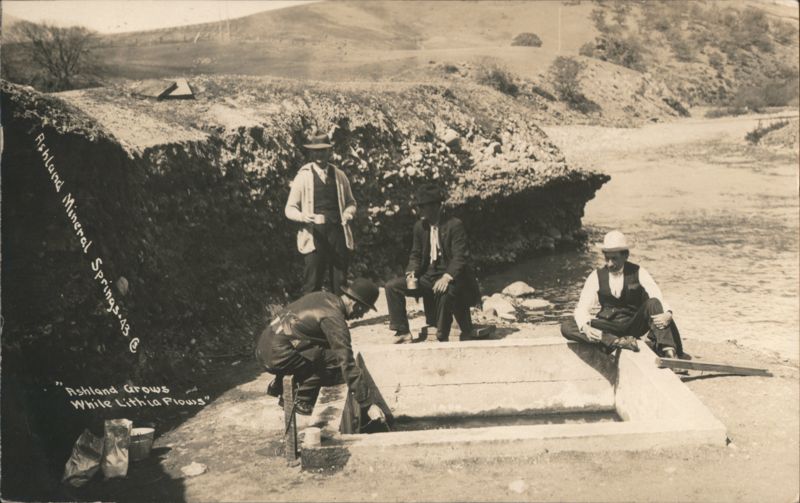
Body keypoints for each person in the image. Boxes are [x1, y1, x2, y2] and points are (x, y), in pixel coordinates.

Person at [254, 277, 385, 423]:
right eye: (365, 310)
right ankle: (300, 398)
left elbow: (295, 330)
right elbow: (345, 361)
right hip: (277, 356)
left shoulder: (323, 297)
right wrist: (367, 403)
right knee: (335, 362)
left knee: (322, 350)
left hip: (264, 348)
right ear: (356, 304)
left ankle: (279, 384)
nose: (362, 315)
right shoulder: (334, 318)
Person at [384, 184, 483, 343]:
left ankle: (441, 334)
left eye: (424, 206)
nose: (420, 210)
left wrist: (446, 277)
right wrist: (412, 272)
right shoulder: (419, 227)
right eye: (419, 206)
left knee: (444, 290)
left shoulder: (454, 225)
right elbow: (415, 255)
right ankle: (402, 331)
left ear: (437, 206)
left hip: (453, 277)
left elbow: (460, 257)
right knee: (392, 287)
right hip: (427, 276)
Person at [560, 230, 684, 357]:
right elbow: (582, 307)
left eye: (614, 259)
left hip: (633, 324)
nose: (610, 264)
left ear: (626, 256)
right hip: (608, 327)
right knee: (567, 326)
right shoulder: (596, 276)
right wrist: (585, 328)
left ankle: (669, 353)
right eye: (607, 258)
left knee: (653, 303)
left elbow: (656, 296)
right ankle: (616, 342)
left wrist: (668, 313)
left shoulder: (639, 271)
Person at [285, 131, 356, 295]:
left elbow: (351, 202)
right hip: (314, 234)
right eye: (316, 151)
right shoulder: (302, 177)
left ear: (329, 151)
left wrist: (348, 214)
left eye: (323, 150)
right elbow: (289, 208)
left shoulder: (340, 176)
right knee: (312, 279)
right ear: (311, 152)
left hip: (337, 232)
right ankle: (310, 318)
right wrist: (303, 217)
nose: (319, 154)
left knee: (340, 280)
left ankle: (339, 316)